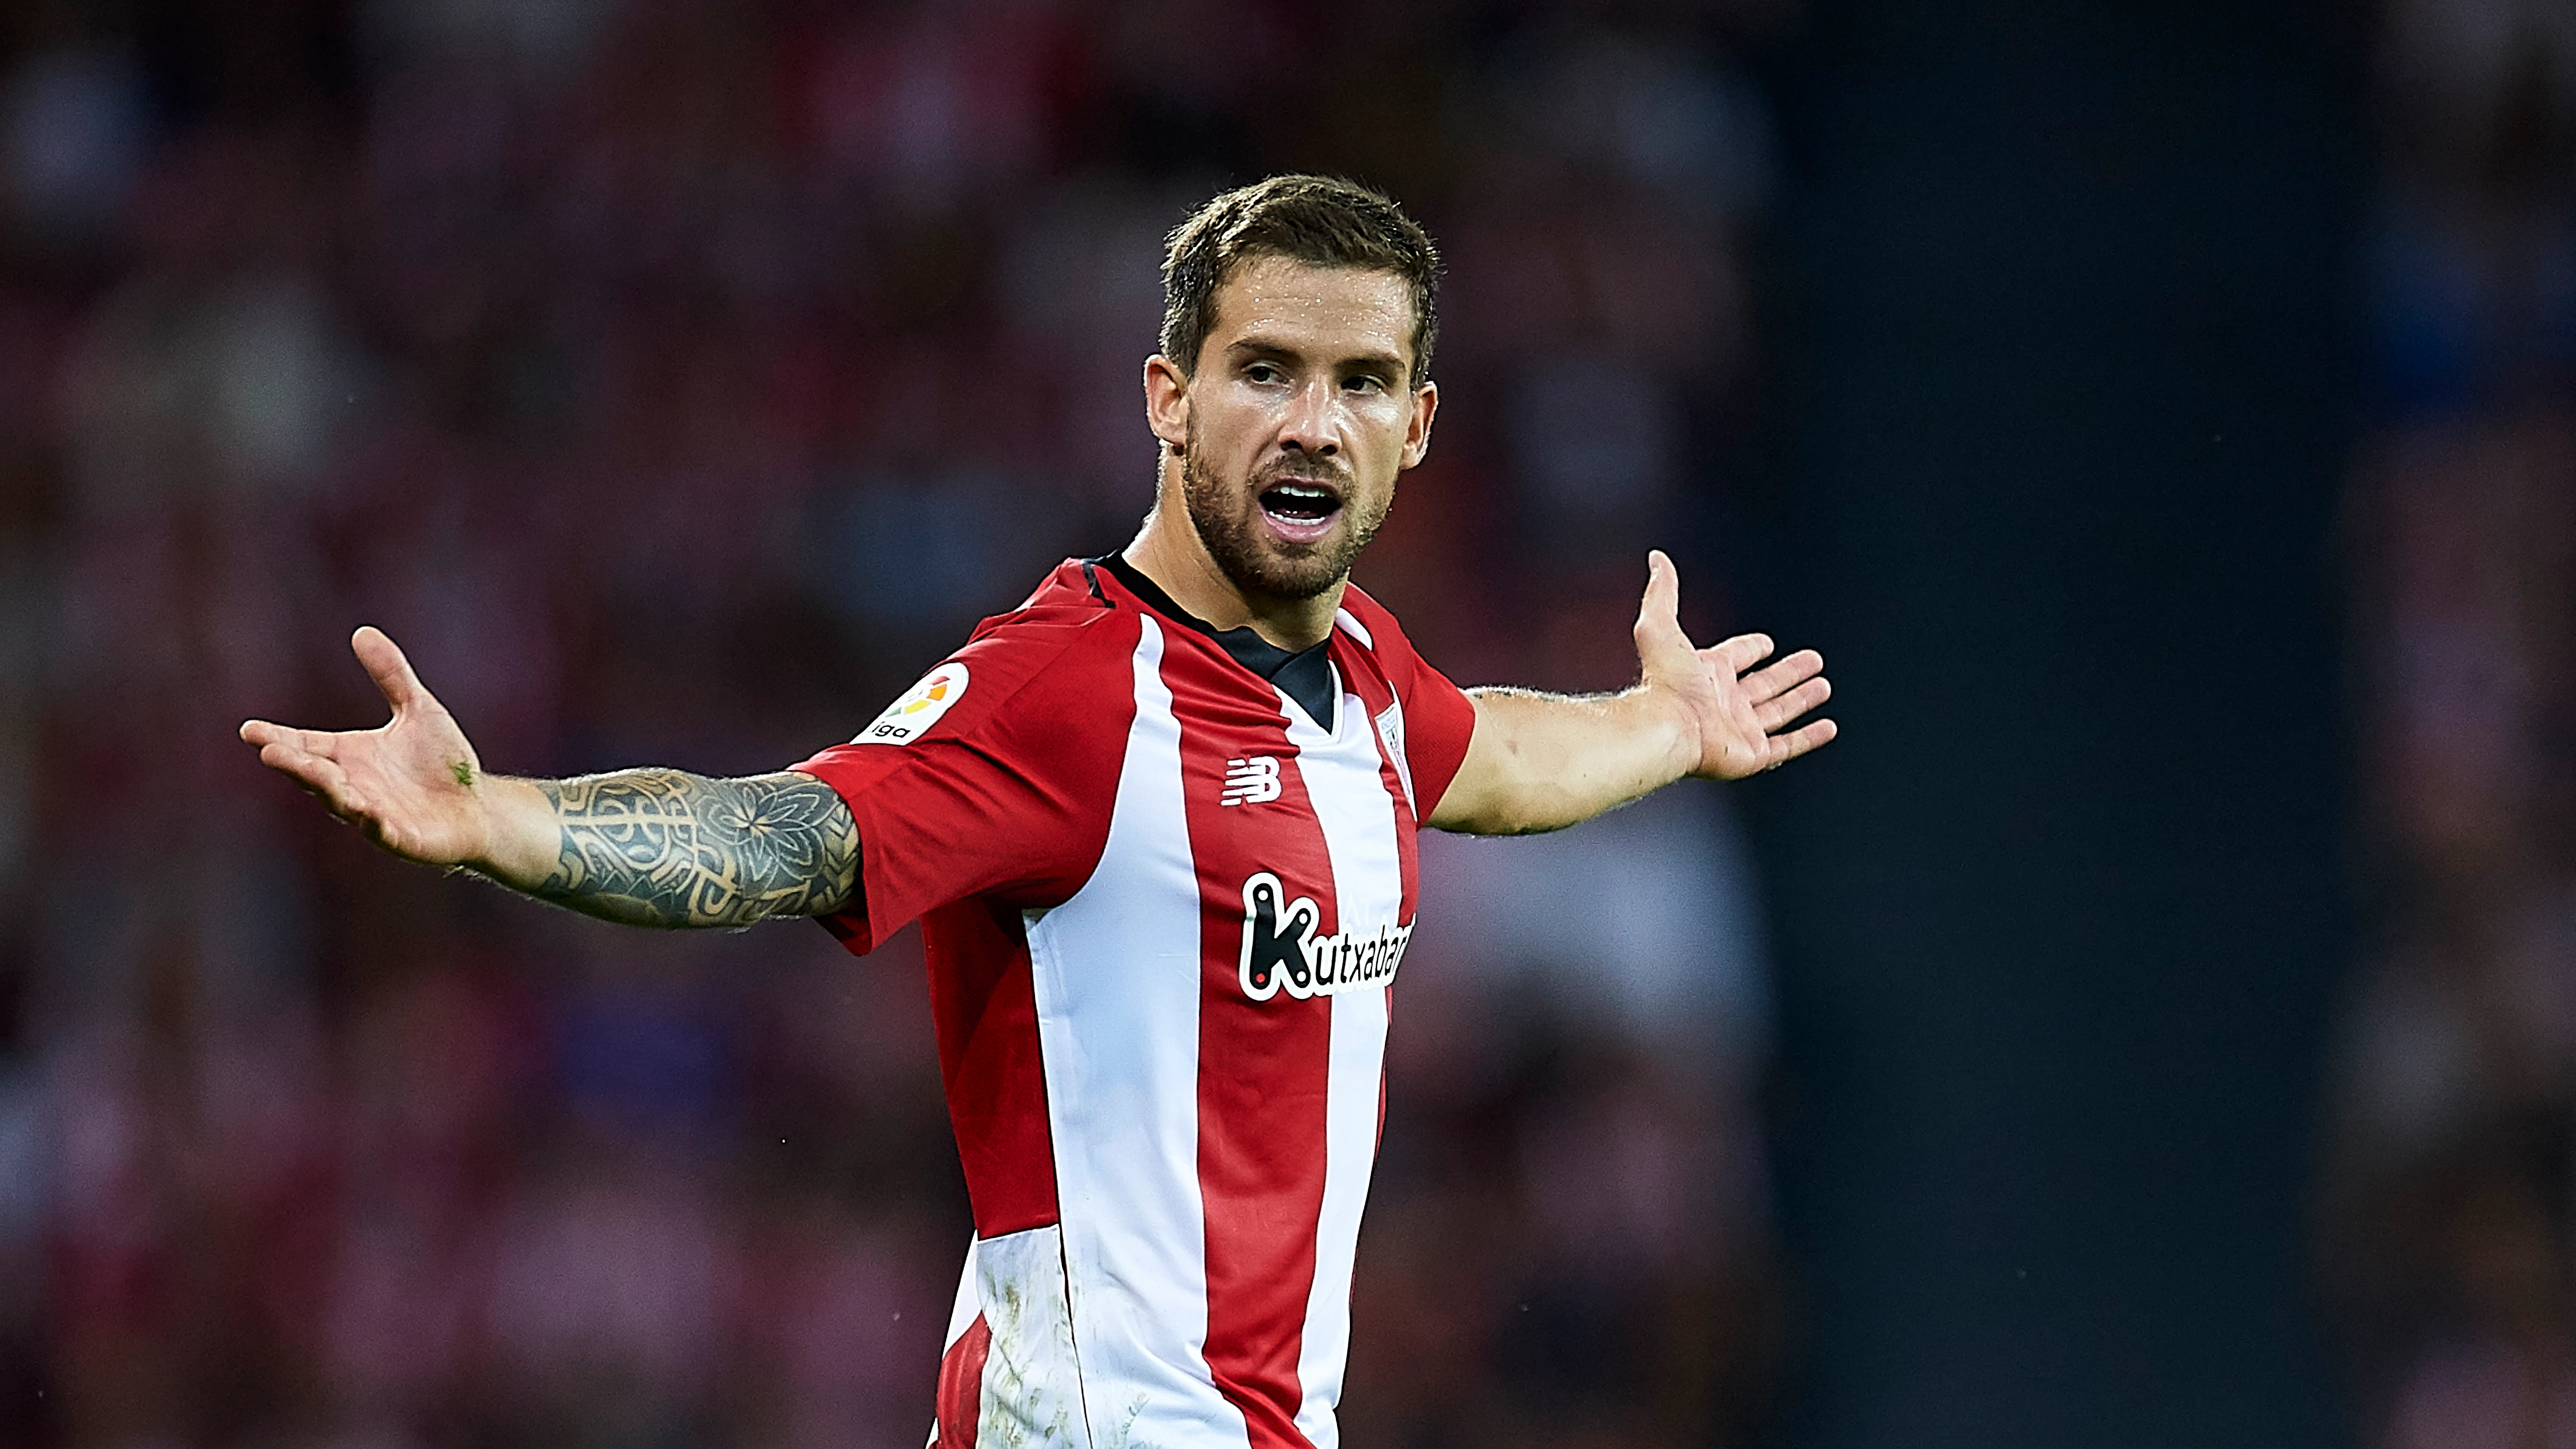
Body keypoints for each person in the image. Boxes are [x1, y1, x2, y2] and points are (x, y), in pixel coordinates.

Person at [240, 175, 1834, 1449]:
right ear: (1166, 395)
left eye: (1359, 382)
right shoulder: (1069, 688)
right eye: (1263, 370)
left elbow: (1489, 755)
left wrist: (1663, 726)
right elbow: (798, 834)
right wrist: (506, 821)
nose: (1311, 421)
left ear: (1415, 427)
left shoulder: (1363, 676)